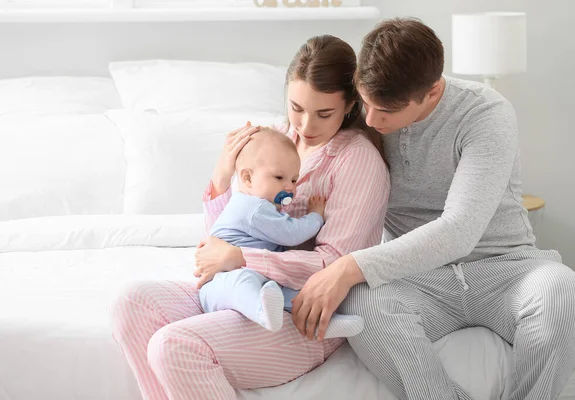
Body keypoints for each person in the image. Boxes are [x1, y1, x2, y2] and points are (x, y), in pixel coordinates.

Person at [290, 18, 575, 400]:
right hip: (416, 279)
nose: (370, 120)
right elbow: (304, 129)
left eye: (386, 110)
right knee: (361, 302)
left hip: (505, 268)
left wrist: (349, 267)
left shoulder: (485, 113)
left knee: (564, 293)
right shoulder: (365, 112)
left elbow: (460, 231)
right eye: (365, 103)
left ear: (432, 92)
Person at [110, 34, 389, 400]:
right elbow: (226, 235)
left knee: (174, 345)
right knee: (130, 302)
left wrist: (243, 259)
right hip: (237, 287)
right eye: (296, 108)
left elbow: (336, 265)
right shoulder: (274, 140)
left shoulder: (357, 161)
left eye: (324, 113)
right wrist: (222, 178)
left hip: (301, 313)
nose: (305, 125)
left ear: (350, 105)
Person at [199, 127, 363, 337]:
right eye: (279, 178)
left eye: (294, 180)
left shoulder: (264, 207)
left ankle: (324, 323)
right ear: (247, 178)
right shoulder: (254, 208)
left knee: (291, 294)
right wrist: (316, 216)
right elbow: (291, 233)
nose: (290, 187)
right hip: (220, 283)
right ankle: (262, 311)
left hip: (262, 278)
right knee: (244, 281)